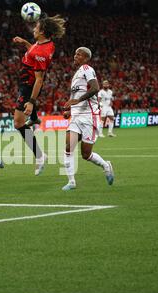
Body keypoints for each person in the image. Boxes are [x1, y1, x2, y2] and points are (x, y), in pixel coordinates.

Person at [12, 14, 66, 175]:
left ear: (42, 31)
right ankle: (34, 118)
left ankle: (40, 156)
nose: (33, 29)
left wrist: (31, 102)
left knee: (18, 123)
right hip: (25, 83)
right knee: (24, 122)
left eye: (36, 28)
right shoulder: (45, 44)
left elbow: (39, 80)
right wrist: (25, 43)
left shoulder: (42, 52)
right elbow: (34, 52)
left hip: (28, 87)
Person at [62, 47, 114, 191]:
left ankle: (105, 165)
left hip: (89, 117)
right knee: (68, 147)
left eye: (79, 54)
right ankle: (71, 181)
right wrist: (70, 110)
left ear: (86, 58)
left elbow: (95, 88)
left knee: (86, 154)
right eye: (75, 53)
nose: (75, 55)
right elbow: (75, 97)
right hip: (76, 117)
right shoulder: (76, 75)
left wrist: (77, 101)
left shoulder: (87, 68)